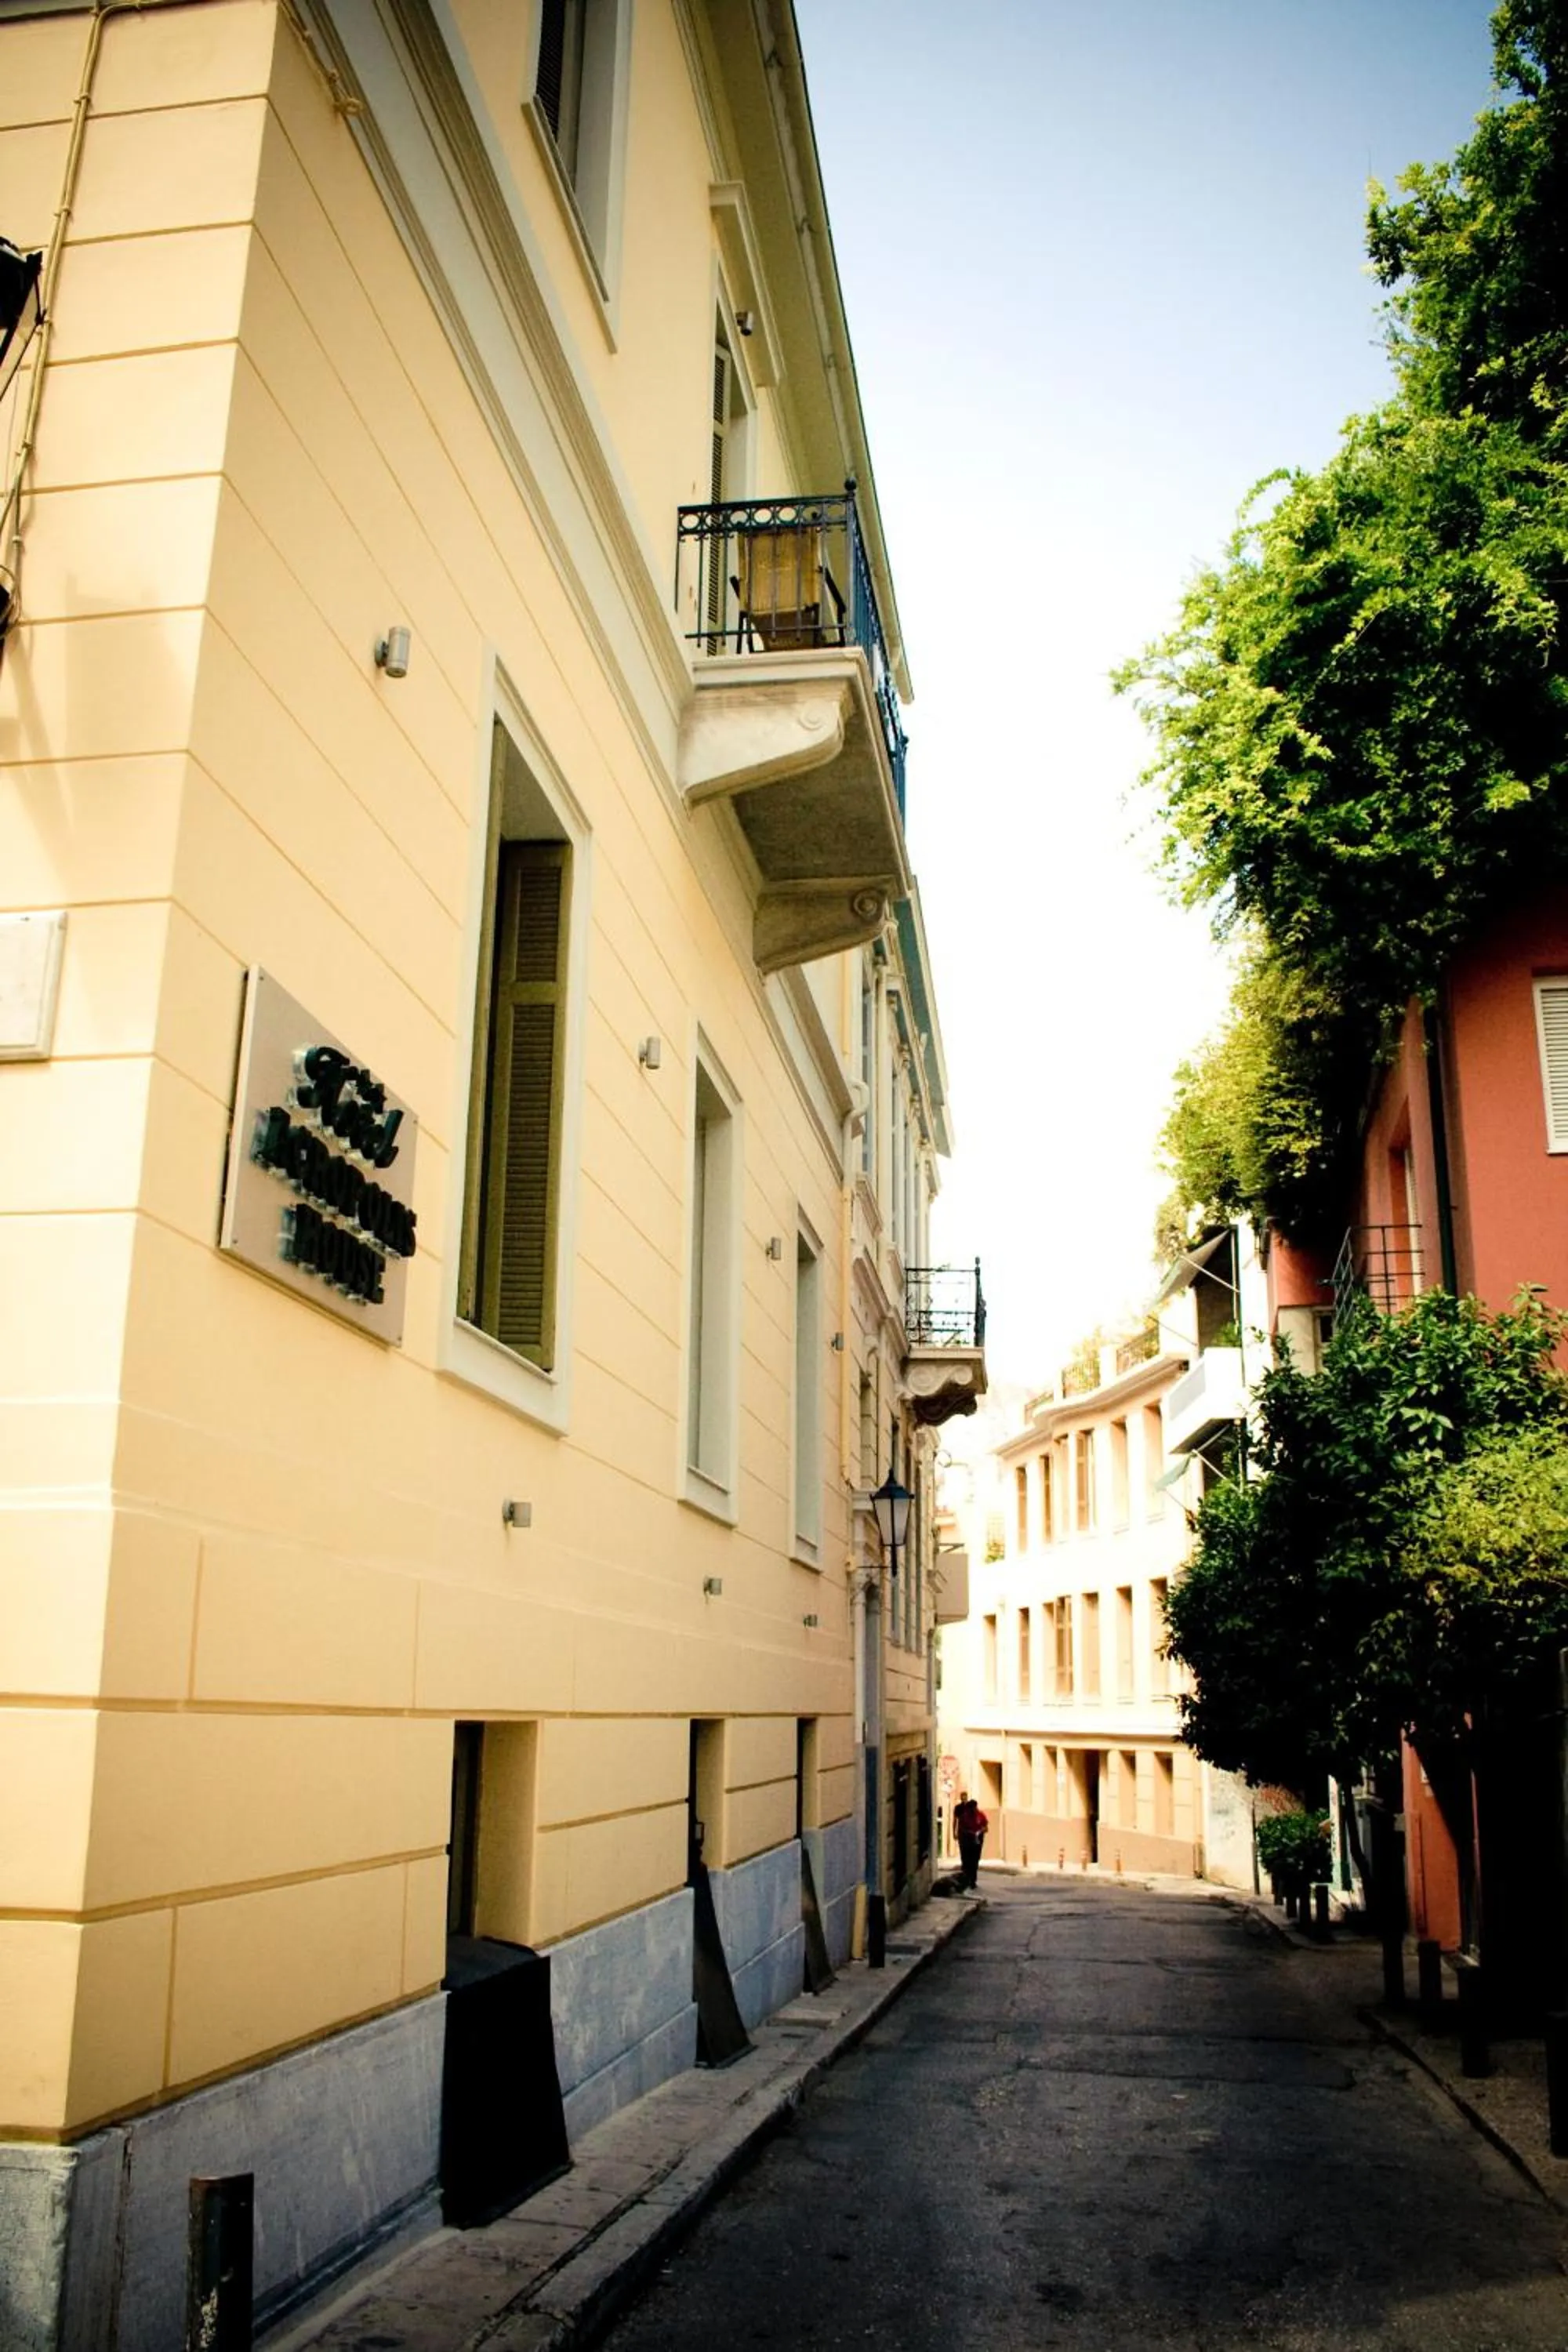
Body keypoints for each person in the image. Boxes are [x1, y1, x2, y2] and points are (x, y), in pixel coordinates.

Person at [953, 1791, 988, 1891]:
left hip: (977, 1842)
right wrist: (969, 1833)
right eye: (972, 1808)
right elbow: (961, 1827)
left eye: (975, 1808)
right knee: (966, 1860)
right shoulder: (964, 1816)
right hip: (966, 1841)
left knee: (975, 1860)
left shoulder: (980, 1815)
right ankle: (966, 1880)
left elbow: (986, 1827)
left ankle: (973, 1880)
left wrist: (980, 1831)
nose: (973, 1810)